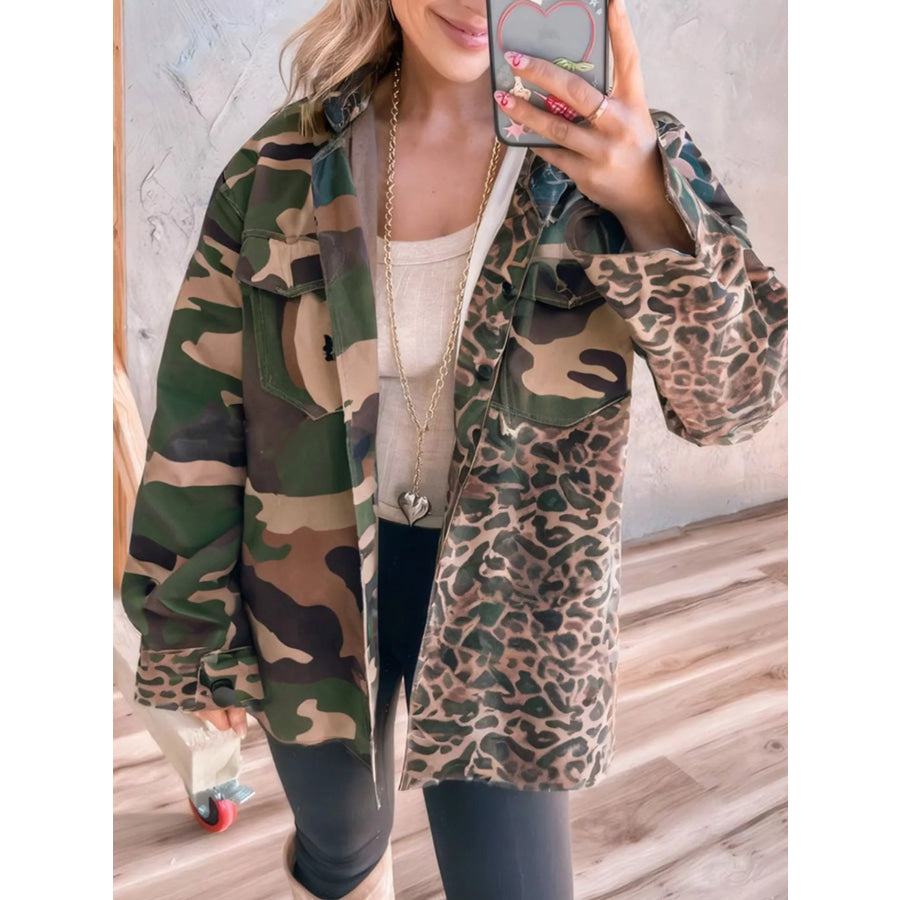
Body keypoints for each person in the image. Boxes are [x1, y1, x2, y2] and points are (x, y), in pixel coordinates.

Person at [120, 0, 788, 897]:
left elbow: (735, 406)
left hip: (509, 609)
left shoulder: (627, 164)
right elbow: (202, 411)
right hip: (307, 595)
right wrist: (190, 632)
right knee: (340, 851)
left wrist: (643, 200)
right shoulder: (281, 167)